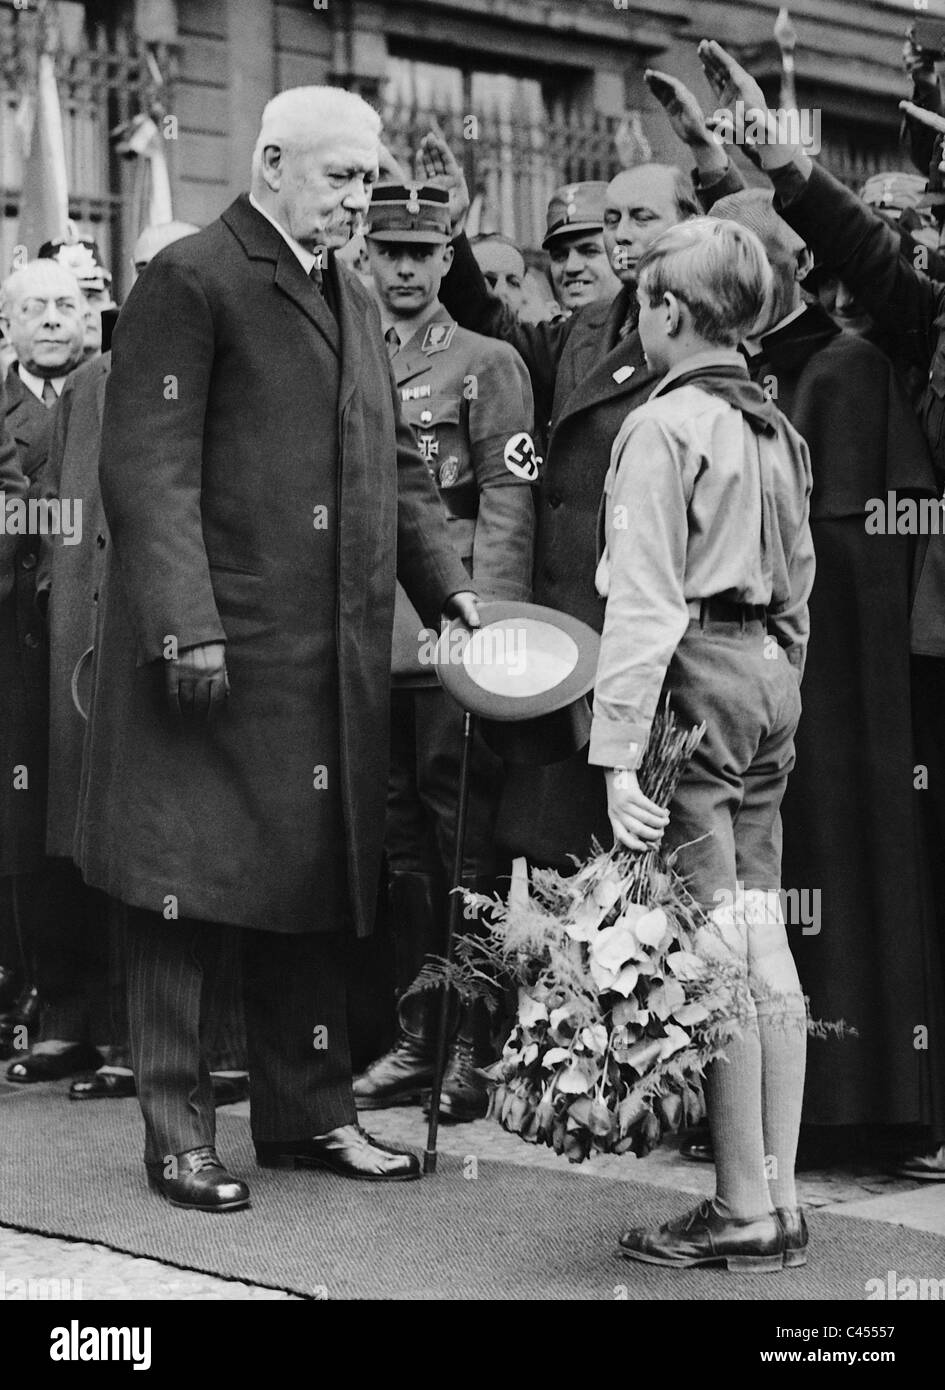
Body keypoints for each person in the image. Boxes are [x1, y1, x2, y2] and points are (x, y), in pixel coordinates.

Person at [75, 86, 478, 1212]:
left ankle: (309, 1120)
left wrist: (447, 593)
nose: (361, 198)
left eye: (368, 177)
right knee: (183, 896)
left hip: (319, 670)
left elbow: (396, 464)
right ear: (270, 162)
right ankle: (177, 1138)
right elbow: (146, 468)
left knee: (309, 885)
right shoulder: (192, 276)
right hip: (214, 660)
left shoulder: (345, 288)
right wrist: (185, 625)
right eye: (344, 177)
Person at [679, 38, 945, 1181]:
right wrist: (780, 163)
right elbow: (875, 267)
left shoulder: (874, 356)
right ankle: (874, 1109)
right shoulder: (896, 330)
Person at [592, 216, 814, 1270]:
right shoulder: (773, 422)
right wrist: (775, 688)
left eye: (641, 301)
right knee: (761, 931)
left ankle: (736, 1206)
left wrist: (614, 750)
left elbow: (641, 602)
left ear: (671, 312)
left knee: (713, 950)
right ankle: (780, 1196)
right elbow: (802, 587)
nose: (637, 318)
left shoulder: (664, 423)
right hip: (766, 676)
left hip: (693, 679)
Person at [417, 132, 699, 869]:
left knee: (649, 851)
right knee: (559, 852)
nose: (619, 238)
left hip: (652, 628)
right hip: (571, 627)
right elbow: (494, 327)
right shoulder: (584, 332)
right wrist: (450, 228)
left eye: (641, 218)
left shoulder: (703, 329)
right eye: (613, 222)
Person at [353, 184, 535, 1121]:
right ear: (367, 256)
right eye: (390, 251)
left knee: (463, 845)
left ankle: (473, 1041)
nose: (406, 269)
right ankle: (415, 1036)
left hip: (453, 630)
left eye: (424, 253)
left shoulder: (487, 360)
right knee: (397, 849)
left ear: (446, 255)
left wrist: (491, 628)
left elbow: (506, 501)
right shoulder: (348, 352)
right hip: (365, 630)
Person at [0, 260, 86, 1063]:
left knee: (93, 822)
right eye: (36, 308)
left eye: (67, 305)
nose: (54, 319)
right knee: (29, 831)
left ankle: (112, 1018)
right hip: (17, 644)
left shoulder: (109, 393)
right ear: (9, 327)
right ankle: (53, 1007)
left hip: (89, 635)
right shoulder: (5, 409)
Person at [542, 181, 621, 313]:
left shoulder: (652, 330)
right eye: (559, 256)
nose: (571, 267)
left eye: (590, 251)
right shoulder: (554, 332)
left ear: (622, 256)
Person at [39, 233, 116, 360]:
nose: (85, 310)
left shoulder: (132, 376)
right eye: (68, 302)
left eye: (93, 297)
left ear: (111, 306)